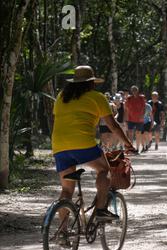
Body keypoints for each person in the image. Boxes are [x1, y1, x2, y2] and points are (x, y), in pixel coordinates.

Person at [51, 66, 135, 231]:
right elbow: (113, 126)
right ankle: (101, 210)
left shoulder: (61, 96)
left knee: (67, 189)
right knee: (105, 170)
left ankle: (62, 232)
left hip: (59, 146)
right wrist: (127, 143)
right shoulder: (97, 97)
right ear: (91, 83)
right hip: (83, 144)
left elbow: (57, 121)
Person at [125, 85, 146, 152]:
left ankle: (137, 148)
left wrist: (142, 116)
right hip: (130, 118)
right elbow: (126, 108)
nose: (134, 91)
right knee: (130, 133)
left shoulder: (141, 98)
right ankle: (131, 148)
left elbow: (144, 108)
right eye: (133, 90)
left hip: (139, 119)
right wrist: (126, 119)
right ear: (131, 91)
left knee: (138, 133)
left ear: (137, 91)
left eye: (135, 90)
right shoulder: (129, 98)